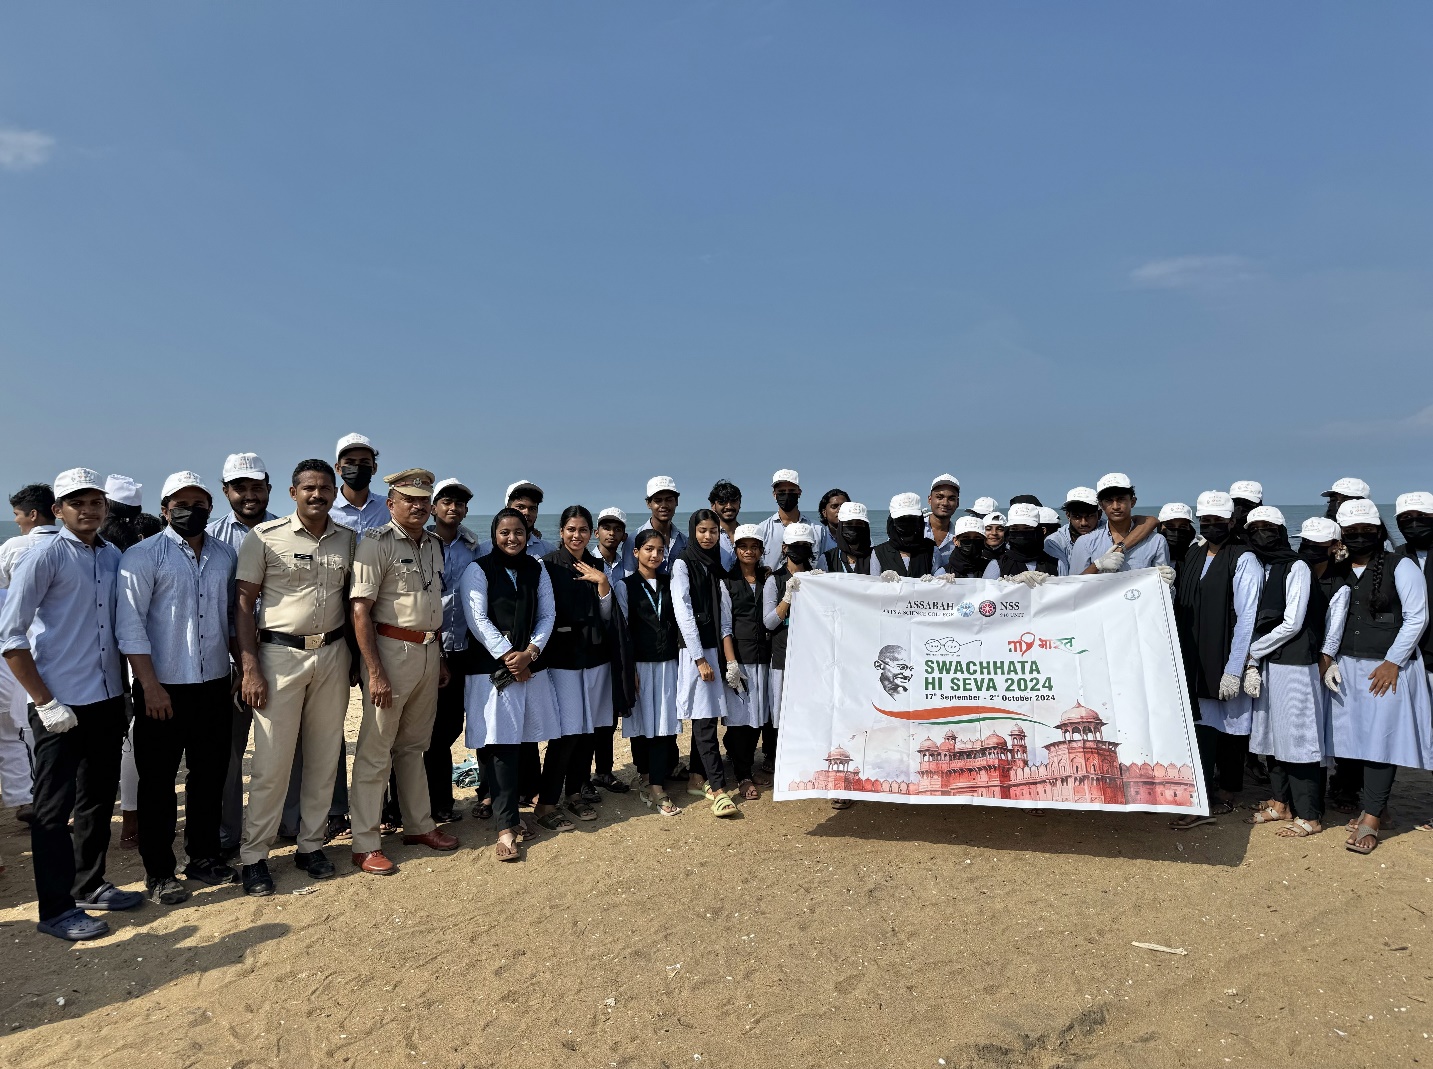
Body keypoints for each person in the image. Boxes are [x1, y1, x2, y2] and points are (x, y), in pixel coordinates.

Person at [0, 468, 143, 941]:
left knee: (97, 799)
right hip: (59, 704)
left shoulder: (112, 556)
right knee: (52, 809)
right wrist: (44, 702)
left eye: (94, 501)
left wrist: (124, 694)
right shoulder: (43, 556)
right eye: (76, 502)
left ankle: (89, 884)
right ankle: (56, 908)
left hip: (105, 699)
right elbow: (11, 636)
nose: (87, 510)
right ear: (57, 510)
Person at [234, 459, 358, 896]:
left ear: (334, 493)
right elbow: (243, 605)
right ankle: (254, 856)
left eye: (325, 488)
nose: (317, 495)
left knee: (324, 757)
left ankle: (311, 845)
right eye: (309, 488)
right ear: (293, 493)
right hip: (278, 656)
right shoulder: (264, 537)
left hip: (332, 654)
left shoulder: (348, 539)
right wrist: (250, 667)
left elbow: (353, 600)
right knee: (272, 762)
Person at [115, 471, 237, 905]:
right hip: (162, 687)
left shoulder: (224, 555)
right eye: (181, 505)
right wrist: (149, 686)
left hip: (213, 684)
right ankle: (160, 871)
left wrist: (241, 668)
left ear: (210, 507)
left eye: (199, 504)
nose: (191, 511)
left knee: (209, 777)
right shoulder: (143, 556)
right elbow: (130, 626)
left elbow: (230, 617)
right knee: (158, 782)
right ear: (165, 509)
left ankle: (203, 856)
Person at [348, 469, 459, 876]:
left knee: (414, 746)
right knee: (376, 749)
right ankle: (365, 842)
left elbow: (432, 605)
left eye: (423, 499)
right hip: (391, 653)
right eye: (408, 498)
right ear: (391, 502)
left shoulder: (432, 544)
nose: (417, 505)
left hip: (428, 651)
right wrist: (374, 671)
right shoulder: (376, 543)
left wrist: (440, 656)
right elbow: (360, 610)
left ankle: (418, 825)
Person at [1321, 499, 1433, 855]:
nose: (1359, 536)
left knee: (1381, 742)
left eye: (1366, 530)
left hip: (1386, 668)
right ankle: (1378, 806)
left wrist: (1392, 662)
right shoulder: (1339, 568)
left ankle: (1370, 817)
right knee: (1354, 741)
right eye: (1351, 531)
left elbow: (1417, 617)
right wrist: (1328, 658)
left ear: (1380, 531)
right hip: (1347, 666)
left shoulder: (1401, 566)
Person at [460, 508, 561, 861]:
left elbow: (547, 614)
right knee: (500, 743)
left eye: (518, 531)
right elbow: (477, 618)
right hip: (491, 670)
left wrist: (530, 652)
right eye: (504, 532)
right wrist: (509, 656)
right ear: (494, 535)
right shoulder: (478, 570)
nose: (512, 538)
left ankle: (514, 811)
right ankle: (506, 825)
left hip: (529, 666)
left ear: (527, 534)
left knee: (521, 741)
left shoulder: (537, 569)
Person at [1171, 491, 1263, 829]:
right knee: (1200, 727)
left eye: (1218, 521)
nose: (1211, 526)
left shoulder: (1244, 559)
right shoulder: (1194, 553)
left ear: (1232, 521)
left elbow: (1247, 616)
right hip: (1193, 653)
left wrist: (1234, 668)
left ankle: (1216, 795)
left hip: (1221, 654)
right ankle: (1205, 793)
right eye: (1205, 521)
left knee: (1223, 728)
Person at [207, 452, 278, 860]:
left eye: (256, 487)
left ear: (268, 488)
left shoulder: (288, 531)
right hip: (229, 662)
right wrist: (240, 662)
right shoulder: (211, 540)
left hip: (282, 653)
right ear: (225, 491)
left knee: (285, 747)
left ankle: (288, 823)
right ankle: (227, 833)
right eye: (240, 488)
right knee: (229, 753)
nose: (249, 495)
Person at [1241, 507, 1329, 839]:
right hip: (1268, 661)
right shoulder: (1262, 566)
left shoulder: (1296, 566)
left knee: (1298, 736)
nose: (1261, 534)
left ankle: (1309, 814)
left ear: (1280, 531)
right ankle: (1281, 803)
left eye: (1268, 528)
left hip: (1293, 663)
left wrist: (1254, 651)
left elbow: (1293, 622)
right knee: (1271, 734)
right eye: (1254, 529)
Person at [541, 505, 617, 823]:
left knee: (589, 730)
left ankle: (574, 793)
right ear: (561, 532)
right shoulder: (547, 565)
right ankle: (547, 802)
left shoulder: (598, 565)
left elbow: (607, 616)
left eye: (583, 529)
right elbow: (543, 614)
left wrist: (603, 583)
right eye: (571, 529)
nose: (577, 535)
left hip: (595, 658)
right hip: (563, 660)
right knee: (566, 733)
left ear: (591, 533)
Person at [673, 510, 739, 817]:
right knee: (703, 719)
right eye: (702, 530)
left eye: (713, 531)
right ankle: (719, 789)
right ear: (693, 531)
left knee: (709, 715)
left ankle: (696, 778)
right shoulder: (683, 563)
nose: (708, 536)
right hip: (695, 651)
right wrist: (699, 658)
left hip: (714, 648)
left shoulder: (715, 565)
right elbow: (683, 611)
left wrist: (726, 658)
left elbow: (723, 615)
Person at [613, 529, 682, 816]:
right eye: (649, 549)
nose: (655, 555)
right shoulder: (624, 586)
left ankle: (656, 784)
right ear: (636, 552)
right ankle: (646, 777)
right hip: (640, 664)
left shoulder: (670, 582)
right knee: (642, 723)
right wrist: (629, 668)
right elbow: (623, 631)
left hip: (668, 663)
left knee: (663, 723)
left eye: (660, 550)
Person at [423, 478, 479, 823]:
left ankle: (442, 801)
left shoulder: (472, 548)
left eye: (459, 503)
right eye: (446, 501)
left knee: (449, 727)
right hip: (428, 648)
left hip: (462, 650)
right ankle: (425, 803)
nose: (453, 508)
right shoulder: (421, 543)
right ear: (433, 507)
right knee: (422, 731)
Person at [0, 482, 56, 826]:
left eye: (18, 515)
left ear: (33, 514)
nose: (17, 521)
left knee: (20, 729)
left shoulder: (14, 547)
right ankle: (29, 798)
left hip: (24, 653)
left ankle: (32, 798)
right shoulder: (76, 546)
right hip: (65, 654)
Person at [761, 523, 823, 790]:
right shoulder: (773, 580)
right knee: (781, 711)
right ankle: (777, 758)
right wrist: (787, 597)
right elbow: (768, 622)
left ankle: (808, 759)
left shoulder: (819, 579)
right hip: (783, 655)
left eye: (805, 546)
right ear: (784, 548)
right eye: (795, 546)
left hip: (812, 657)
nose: (800, 551)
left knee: (810, 710)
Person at [722, 524, 771, 801]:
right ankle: (743, 775)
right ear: (736, 549)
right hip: (740, 659)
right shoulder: (727, 583)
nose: (749, 551)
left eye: (754, 547)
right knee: (740, 720)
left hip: (764, 657)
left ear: (761, 550)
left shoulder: (768, 580)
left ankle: (746, 765)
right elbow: (725, 626)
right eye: (743, 546)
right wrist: (731, 663)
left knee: (758, 718)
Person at [1393, 493, 1433, 831]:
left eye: (1421, 517)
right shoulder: (1397, 556)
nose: (1414, 524)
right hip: (1409, 658)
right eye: (1406, 519)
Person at [1068, 474, 1172, 578]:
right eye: (1109, 500)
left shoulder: (1156, 542)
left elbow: (1162, 583)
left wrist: (1166, 581)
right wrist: (1097, 566)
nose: (1115, 506)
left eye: (1121, 499)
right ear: (1101, 505)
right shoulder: (1085, 543)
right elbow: (1073, 584)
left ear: (1132, 502)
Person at [756, 469, 828, 569]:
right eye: (782, 491)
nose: (787, 495)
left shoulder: (818, 529)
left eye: (791, 491)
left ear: (799, 492)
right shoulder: (762, 529)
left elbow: (825, 563)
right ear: (774, 494)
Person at [983, 503, 1061, 584]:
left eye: (1027, 528)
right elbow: (986, 590)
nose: (1021, 533)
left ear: (1038, 531)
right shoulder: (997, 565)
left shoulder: (1056, 564)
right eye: (1015, 529)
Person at [330, 432, 391, 536]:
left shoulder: (388, 507)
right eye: (350, 462)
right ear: (338, 468)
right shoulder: (327, 508)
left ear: (374, 468)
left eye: (364, 462)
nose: (357, 468)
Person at [479, 480, 555, 559]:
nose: (527, 512)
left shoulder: (549, 551)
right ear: (507, 509)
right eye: (520, 507)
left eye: (532, 508)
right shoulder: (484, 550)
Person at [874, 494, 940, 578]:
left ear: (919, 520)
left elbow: (939, 577)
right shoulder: (878, 552)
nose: (907, 523)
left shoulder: (932, 549)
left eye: (912, 519)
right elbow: (872, 582)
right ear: (892, 522)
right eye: (901, 519)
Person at [1044, 487, 1101, 574]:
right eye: (1077, 517)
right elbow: (1062, 577)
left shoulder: (1110, 532)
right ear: (1068, 515)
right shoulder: (1055, 542)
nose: (1083, 523)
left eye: (1089, 516)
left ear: (1099, 514)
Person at [636, 477, 685, 573]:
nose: (664, 505)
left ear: (676, 502)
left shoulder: (683, 541)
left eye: (669, 500)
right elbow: (628, 575)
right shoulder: (634, 539)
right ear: (648, 504)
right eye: (658, 500)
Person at [825, 501, 873, 574]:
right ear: (841, 526)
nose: (854, 527)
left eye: (859, 523)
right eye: (848, 523)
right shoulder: (827, 558)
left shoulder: (876, 556)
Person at [925, 476, 960, 572]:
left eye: (951, 499)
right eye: (939, 497)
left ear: (957, 503)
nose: (945, 503)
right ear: (929, 500)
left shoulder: (960, 536)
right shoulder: (913, 529)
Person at [594, 508, 634, 586]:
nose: (612, 533)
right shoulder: (587, 562)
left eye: (617, 529)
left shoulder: (626, 567)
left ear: (624, 536)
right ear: (596, 533)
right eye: (606, 528)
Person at [709, 480, 744, 570]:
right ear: (713, 505)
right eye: (722, 502)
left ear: (739, 504)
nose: (728, 506)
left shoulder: (747, 534)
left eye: (733, 501)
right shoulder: (707, 537)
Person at [1158, 503, 1198, 578]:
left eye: (1183, 526)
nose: (1176, 532)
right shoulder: (1151, 554)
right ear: (1160, 527)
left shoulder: (1198, 553)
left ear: (1190, 529)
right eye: (1170, 526)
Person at [816, 488, 850, 565]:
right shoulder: (818, 537)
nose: (840, 510)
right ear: (824, 512)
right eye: (834, 506)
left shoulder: (860, 536)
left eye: (844, 506)